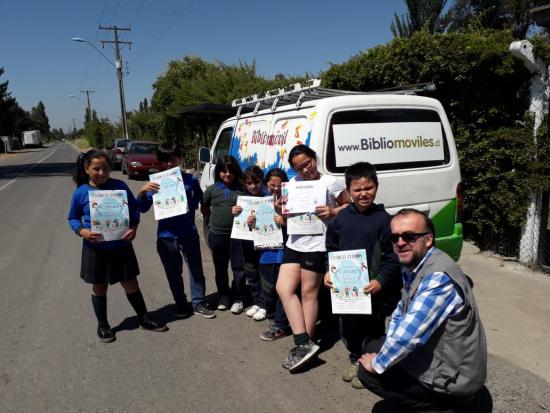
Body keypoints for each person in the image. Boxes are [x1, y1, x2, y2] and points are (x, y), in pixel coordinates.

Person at [357, 208, 487, 412]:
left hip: (452, 380)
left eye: (409, 236)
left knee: (369, 372)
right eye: (395, 237)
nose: (400, 243)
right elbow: (403, 310)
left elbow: (408, 336)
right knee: (373, 345)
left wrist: (378, 363)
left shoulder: (438, 277)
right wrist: (384, 347)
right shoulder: (418, 264)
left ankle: (442, 406)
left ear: (428, 239)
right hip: (441, 359)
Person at [67, 149, 167, 344]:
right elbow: (72, 218)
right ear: (87, 169)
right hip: (96, 249)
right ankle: (103, 325)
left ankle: (144, 318)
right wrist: (82, 232)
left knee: (131, 283)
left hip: (121, 246)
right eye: (96, 169)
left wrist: (134, 227)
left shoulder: (119, 186)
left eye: (105, 168)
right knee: (99, 287)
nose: (102, 173)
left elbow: (135, 210)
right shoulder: (81, 192)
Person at [324, 162, 401, 389]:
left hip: (374, 291)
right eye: (357, 190)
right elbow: (331, 249)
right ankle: (355, 359)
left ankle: (371, 366)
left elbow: (392, 258)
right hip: (348, 291)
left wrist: (380, 281)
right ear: (348, 191)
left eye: (368, 188)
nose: (363, 193)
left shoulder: (385, 221)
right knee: (349, 328)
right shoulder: (340, 220)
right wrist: (329, 270)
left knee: (374, 329)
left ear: (376, 186)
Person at [276, 144, 350, 372]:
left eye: (307, 164)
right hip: (294, 241)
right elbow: (284, 215)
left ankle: (304, 342)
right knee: (283, 288)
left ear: (314, 158)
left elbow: (350, 204)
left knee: (308, 293)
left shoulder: (330, 181)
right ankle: (303, 342)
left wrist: (333, 211)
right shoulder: (293, 184)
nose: (305, 170)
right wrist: (279, 207)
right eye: (299, 168)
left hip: (317, 243)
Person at [137, 143, 215, 319]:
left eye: (173, 159)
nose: (170, 163)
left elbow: (200, 197)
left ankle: (198, 302)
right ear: (160, 162)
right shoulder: (155, 183)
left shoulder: (190, 180)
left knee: (196, 269)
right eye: (165, 160)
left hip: (188, 232)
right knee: (173, 272)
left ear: (179, 158)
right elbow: (142, 208)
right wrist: (142, 193)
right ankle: (181, 304)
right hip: (166, 236)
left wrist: (195, 206)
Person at [202, 155, 245, 311]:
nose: (227, 174)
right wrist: (209, 219)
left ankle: (238, 297)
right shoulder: (211, 190)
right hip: (217, 235)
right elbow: (204, 206)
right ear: (218, 171)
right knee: (220, 267)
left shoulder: (241, 189)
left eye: (231, 171)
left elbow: (250, 207)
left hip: (237, 236)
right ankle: (224, 295)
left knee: (239, 268)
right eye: (223, 171)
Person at [253, 168, 291, 340]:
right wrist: (249, 222)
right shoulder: (259, 202)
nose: (275, 188)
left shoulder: (292, 202)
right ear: (266, 184)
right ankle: (272, 318)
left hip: (286, 253)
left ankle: (280, 323)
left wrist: (285, 222)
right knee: (268, 288)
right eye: (272, 185)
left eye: (280, 185)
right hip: (266, 253)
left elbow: (304, 225)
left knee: (283, 289)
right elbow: (250, 228)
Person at [230, 165, 266, 316]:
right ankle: (257, 302)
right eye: (249, 183)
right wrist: (234, 211)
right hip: (247, 243)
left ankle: (265, 305)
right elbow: (237, 221)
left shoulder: (267, 198)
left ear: (262, 182)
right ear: (244, 184)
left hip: (265, 244)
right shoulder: (242, 200)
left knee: (264, 274)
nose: (253, 186)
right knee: (251, 273)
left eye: (256, 182)